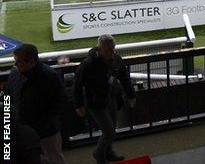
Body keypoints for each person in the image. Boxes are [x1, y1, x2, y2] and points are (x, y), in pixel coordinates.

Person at [74, 35, 136, 164]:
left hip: (111, 99)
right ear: (100, 48)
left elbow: (124, 77)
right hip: (95, 102)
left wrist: (131, 95)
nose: (112, 51)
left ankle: (108, 152)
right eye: (109, 48)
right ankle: (99, 154)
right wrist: (79, 105)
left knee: (111, 128)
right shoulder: (88, 64)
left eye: (113, 48)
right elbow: (78, 84)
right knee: (109, 131)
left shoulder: (115, 59)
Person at [6, 44, 67, 164]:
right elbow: (8, 96)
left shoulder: (49, 75)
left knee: (54, 158)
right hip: (24, 128)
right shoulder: (15, 73)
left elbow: (61, 100)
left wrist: (43, 121)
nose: (16, 65)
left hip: (46, 131)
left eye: (18, 62)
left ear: (32, 61)